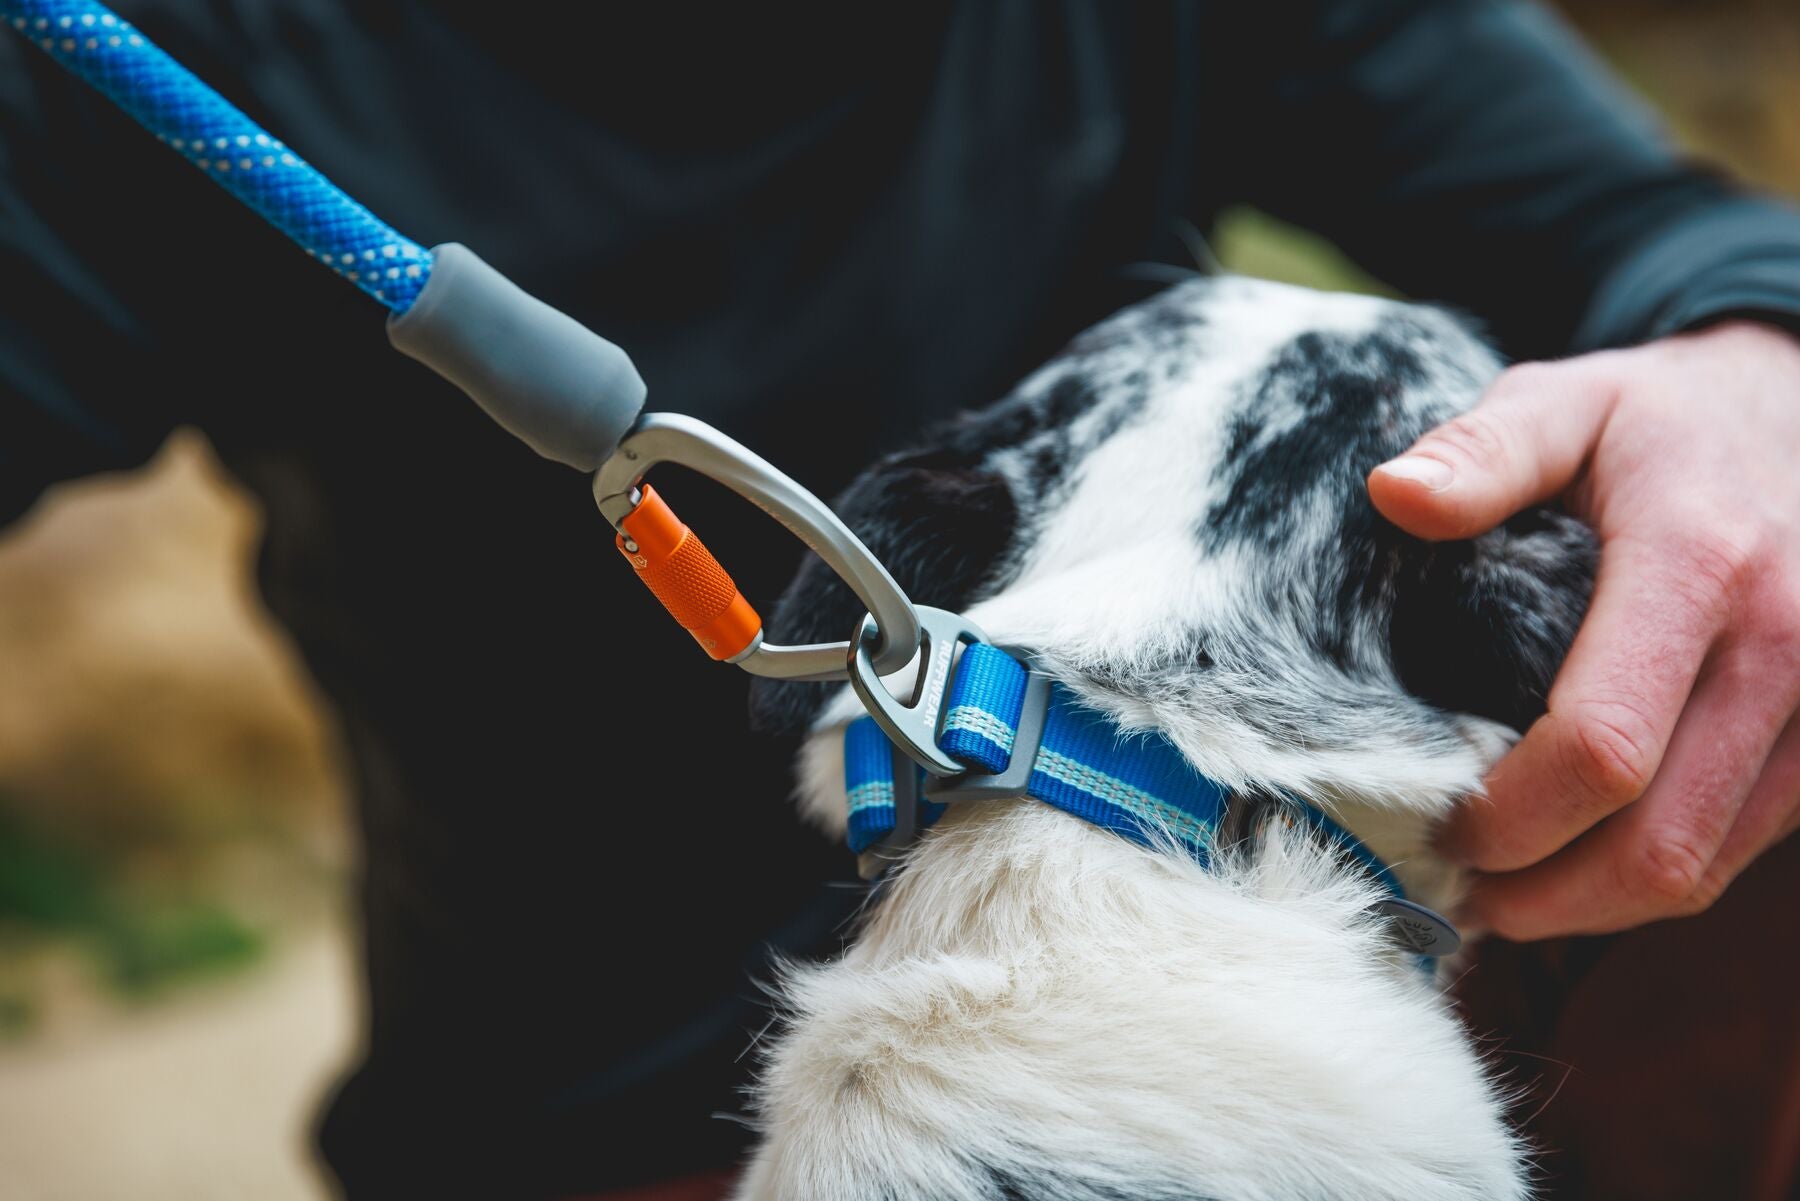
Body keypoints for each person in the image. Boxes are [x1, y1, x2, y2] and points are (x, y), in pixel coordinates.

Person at [3, 3, 1796, 1198]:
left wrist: (1751, 370)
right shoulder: (150, 63)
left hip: (1277, 976)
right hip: (597, 1124)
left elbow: (1667, 231)